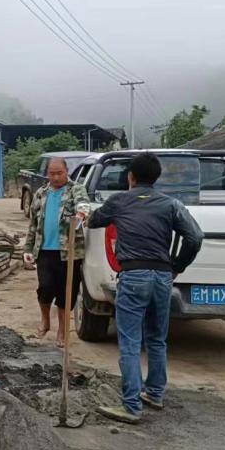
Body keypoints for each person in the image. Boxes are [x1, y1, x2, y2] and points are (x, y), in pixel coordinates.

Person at [87, 152, 204, 424]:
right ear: (156, 177)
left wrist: (88, 211)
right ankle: (154, 393)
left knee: (130, 342)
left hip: (133, 274)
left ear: (130, 176)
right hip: (162, 276)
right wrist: (177, 266)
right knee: (156, 338)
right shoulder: (171, 204)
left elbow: (94, 220)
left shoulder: (120, 201)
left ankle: (131, 406)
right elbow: (195, 237)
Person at [23, 156, 89, 348]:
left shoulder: (76, 189)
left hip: (69, 252)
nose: (55, 177)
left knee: (66, 293)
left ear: (66, 171)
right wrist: (28, 247)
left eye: (59, 173)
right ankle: (45, 321)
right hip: (45, 250)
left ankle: (62, 330)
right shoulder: (41, 193)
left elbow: (83, 206)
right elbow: (33, 224)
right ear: (47, 174)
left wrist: (80, 215)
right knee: (45, 288)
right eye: (52, 173)